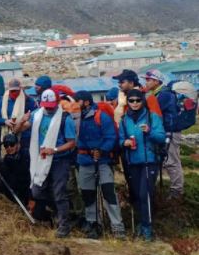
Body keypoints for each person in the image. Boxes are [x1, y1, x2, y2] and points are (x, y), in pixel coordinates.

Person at [17, 89, 77, 237]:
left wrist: (55, 149)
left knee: (59, 193)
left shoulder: (65, 118)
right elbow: (17, 130)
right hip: (40, 159)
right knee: (37, 191)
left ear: (57, 102)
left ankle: (64, 225)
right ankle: (57, 212)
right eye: (46, 105)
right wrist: (21, 121)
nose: (48, 108)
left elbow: (72, 143)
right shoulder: (37, 114)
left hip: (59, 160)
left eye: (51, 105)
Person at [74, 90, 126, 239]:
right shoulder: (76, 119)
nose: (76, 104)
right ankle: (93, 223)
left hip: (102, 161)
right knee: (88, 194)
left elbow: (111, 137)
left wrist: (102, 150)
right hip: (84, 161)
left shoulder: (101, 117)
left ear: (86, 102)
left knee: (108, 192)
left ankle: (117, 225)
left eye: (78, 101)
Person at [119, 89, 165, 241]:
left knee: (145, 195)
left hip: (149, 161)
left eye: (137, 100)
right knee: (137, 196)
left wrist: (149, 131)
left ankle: (147, 228)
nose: (134, 103)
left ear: (142, 101)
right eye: (131, 100)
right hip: (132, 162)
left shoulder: (152, 117)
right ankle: (141, 223)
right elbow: (120, 140)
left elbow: (161, 137)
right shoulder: (124, 120)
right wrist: (124, 142)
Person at [144, 69, 183, 201]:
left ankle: (177, 190)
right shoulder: (159, 93)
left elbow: (154, 111)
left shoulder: (164, 95)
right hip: (166, 130)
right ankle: (174, 189)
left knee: (171, 160)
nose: (146, 82)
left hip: (170, 131)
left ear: (156, 81)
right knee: (168, 160)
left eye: (148, 80)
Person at [0, 78, 37, 152]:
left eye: (16, 90)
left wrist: (23, 121)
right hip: (6, 136)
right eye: (12, 91)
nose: (14, 92)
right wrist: (5, 121)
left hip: (24, 136)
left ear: (20, 89)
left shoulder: (28, 100)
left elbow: (35, 117)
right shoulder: (3, 100)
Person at [0, 133, 30, 206]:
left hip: (28, 189)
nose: (9, 147)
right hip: (17, 190)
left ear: (18, 144)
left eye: (12, 144)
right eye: (6, 145)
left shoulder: (26, 155)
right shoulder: (6, 159)